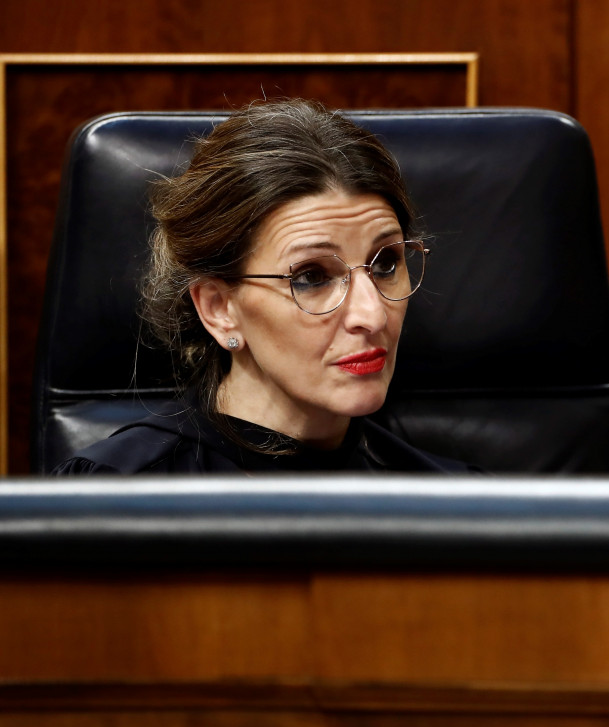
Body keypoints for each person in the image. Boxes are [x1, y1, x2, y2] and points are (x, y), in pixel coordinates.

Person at [53, 99, 475, 474]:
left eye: (385, 264)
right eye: (311, 276)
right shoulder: (114, 500)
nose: (373, 314)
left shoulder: (461, 507)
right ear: (219, 309)